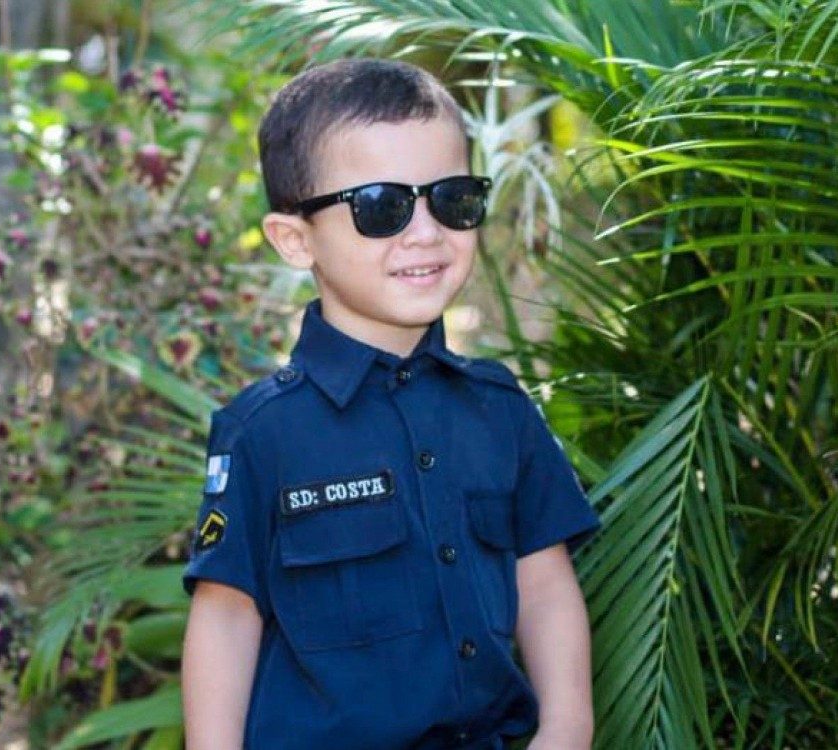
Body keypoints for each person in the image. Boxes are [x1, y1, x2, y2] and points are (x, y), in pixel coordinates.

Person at [179, 58, 602, 750]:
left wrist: (566, 728)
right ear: (295, 238)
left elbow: (546, 586)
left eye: (452, 199)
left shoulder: (500, 411)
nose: (427, 232)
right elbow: (226, 619)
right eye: (382, 206)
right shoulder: (263, 434)